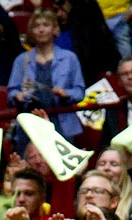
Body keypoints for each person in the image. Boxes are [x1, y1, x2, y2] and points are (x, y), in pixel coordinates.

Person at [8, 10, 85, 141]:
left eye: (45, 25)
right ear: (31, 31)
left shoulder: (69, 58)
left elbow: (79, 92)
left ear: (54, 29)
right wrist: (17, 95)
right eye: (36, 26)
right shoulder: (22, 60)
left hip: (61, 123)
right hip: (30, 124)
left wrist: (66, 93)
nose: (41, 30)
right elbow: (11, 92)